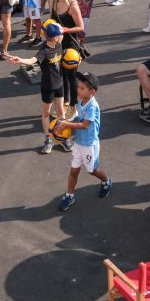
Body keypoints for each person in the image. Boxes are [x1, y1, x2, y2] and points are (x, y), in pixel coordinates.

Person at [7, 21, 69, 154]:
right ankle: (48, 139)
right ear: (55, 37)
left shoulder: (59, 45)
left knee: (61, 113)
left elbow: (64, 55)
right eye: (61, 34)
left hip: (59, 84)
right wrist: (20, 59)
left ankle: (63, 137)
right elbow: (32, 61)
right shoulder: (44, 51)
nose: (62, 35)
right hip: (48, 87)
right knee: (46, 113)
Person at [54, 71, 112, 211]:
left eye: (81, 88)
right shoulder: (80, 103)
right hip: (78, 143)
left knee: (92, 171)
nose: (78, 89)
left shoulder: (92, 106)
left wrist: (67, 125)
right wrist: (65, 125)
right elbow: (78, 121)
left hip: (89, 145)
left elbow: (85, 125)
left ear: (92, 91)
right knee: (74, 170)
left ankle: (106, 181)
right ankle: (69, 195)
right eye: (78, 87)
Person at [47, 0, 87, 114]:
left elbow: (81, 27)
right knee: (60, 75)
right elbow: (51, 20)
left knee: (71, 76)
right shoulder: (53, 1)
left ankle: (74, 106)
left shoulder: (72, 5)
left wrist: (66, 29)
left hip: (70, 44)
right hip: (58, 43)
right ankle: (65, 102)